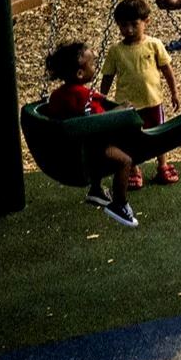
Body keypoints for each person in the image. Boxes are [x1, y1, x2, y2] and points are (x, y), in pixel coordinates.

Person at [44, 41, 137, 228]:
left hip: (69, 146)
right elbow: (100, 120)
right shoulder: (84, 98)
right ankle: (119, 205)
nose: (95, 67)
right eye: (93, 64)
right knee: (125, 160)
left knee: (97, 139)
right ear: (80, 73)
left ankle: (96, 189)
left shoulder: (57, 95)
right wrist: (122, 110)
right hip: (87, 149)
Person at [99, 0, 181, 187]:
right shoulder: (116, 51)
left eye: (134, 24)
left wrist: (174, 91)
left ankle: (163, 165)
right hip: (127, 105)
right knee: (130, 139)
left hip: (152, 100)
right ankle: (134, 169)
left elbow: (166, 69)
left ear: (146, 22)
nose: (128, 30)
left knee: (159, 134)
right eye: (123, 25)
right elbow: (108, 76)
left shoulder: (154, 44)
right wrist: (102, 98)